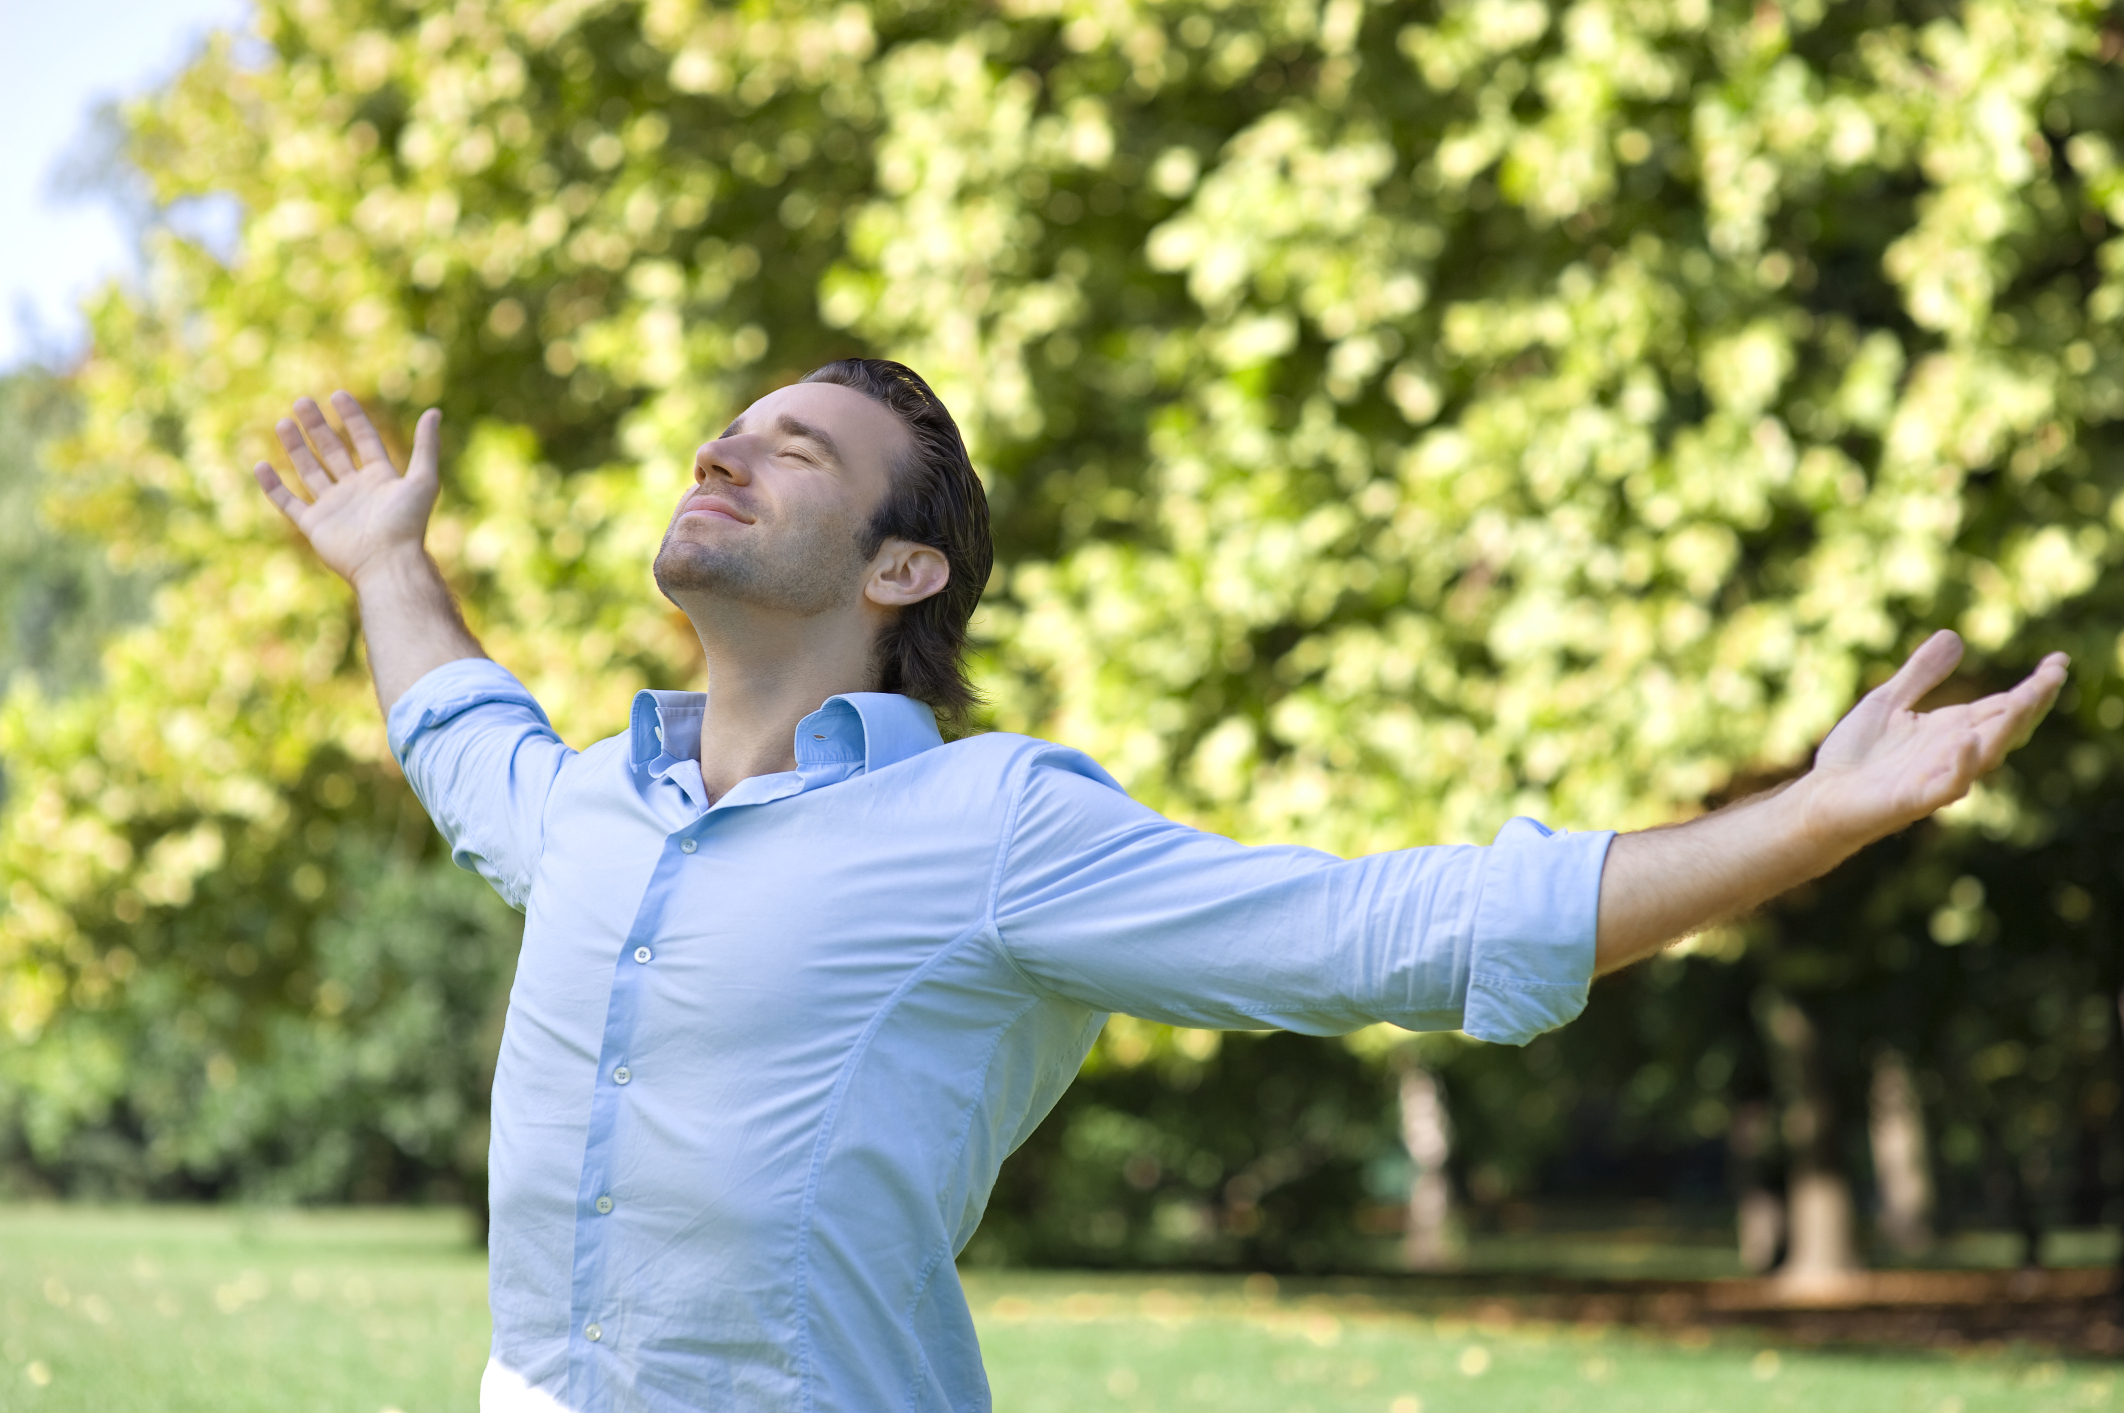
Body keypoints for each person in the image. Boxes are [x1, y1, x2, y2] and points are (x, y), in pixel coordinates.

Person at [252, 359, 2066, 1413]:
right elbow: (458, 732)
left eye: (791, 446)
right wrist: (387, 562)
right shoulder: (593, 805)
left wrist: (1813, 821)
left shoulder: (997, 827)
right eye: (727, 430)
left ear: (899, 566)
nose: (722, 450)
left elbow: (1386, 936)